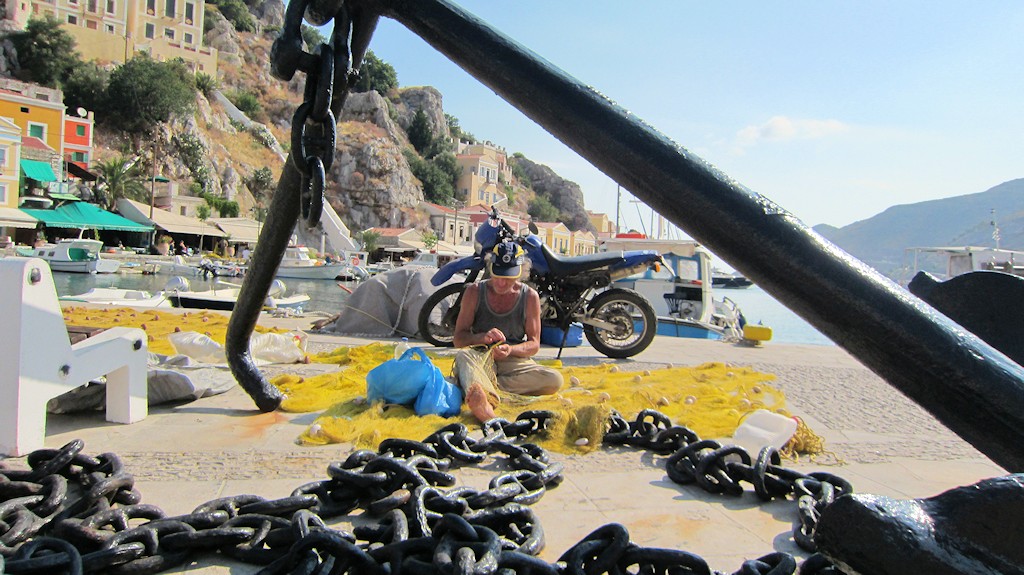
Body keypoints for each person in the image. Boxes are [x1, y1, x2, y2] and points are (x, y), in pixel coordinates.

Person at [452, 241, 563, 422]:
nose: (502, 283)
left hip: (512, 359)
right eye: (497, 275)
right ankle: (485, 408)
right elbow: (458, 339)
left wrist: (510, 350)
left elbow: (534, 344)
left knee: (554, 380)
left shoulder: (530, 297)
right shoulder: (474, 292)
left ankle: (482, 388)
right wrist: (482, 338)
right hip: (479, 354)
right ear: (490, 268)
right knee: (464, 357)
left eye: (508, 277)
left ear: (521, 273)